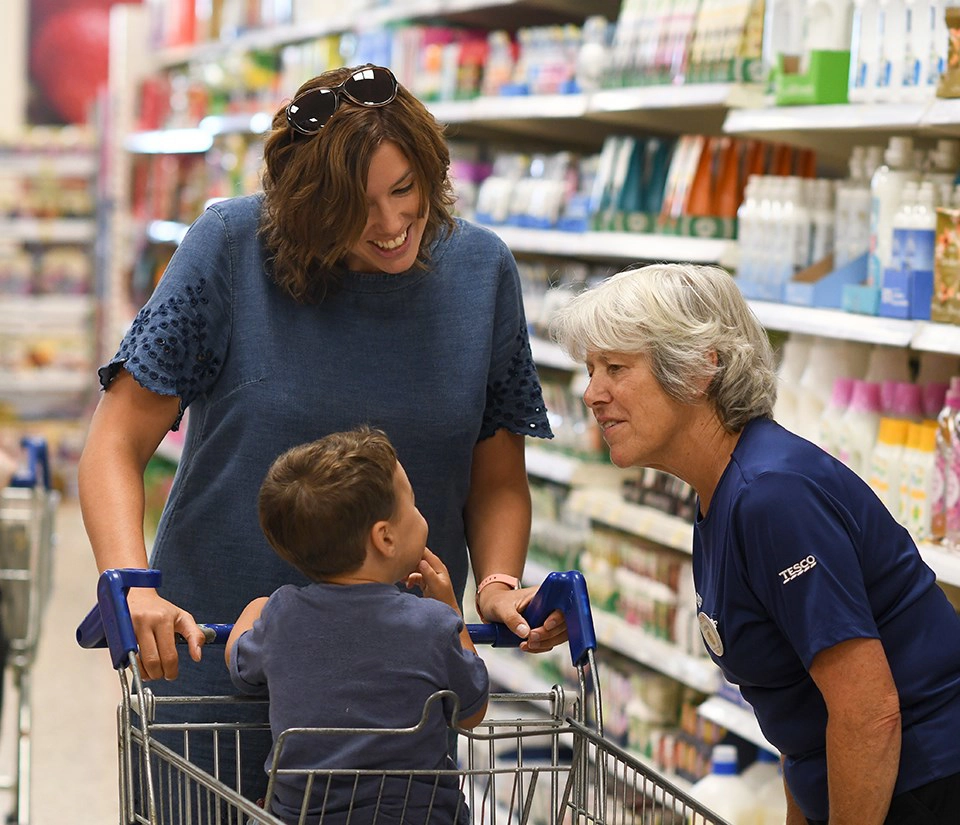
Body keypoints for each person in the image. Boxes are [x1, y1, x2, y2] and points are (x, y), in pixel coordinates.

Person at [77, 63, 564, 802]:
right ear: (304, 208)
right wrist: (129, 583)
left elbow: (496, 475)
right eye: (354, 209)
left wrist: (497, 585)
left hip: (394, 715)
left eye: (406, 190)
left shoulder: (481, 272)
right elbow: (115, 442)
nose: (394, 225)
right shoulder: (230, 249)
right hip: (215, 680)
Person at [549, 262, 960, 825]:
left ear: (699, 368)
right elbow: (802, 711)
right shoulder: (721, 493)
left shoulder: (772, 497)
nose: (593, 394)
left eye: (615, 368)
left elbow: (868, 714)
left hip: (925, 787)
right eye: (591, 370)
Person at [226, 426, 488, 825]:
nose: (421, 515)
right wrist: (450, 608)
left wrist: (257, 607)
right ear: (385, 538)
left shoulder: (282, 614)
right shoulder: (432, 623)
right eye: (413, 507)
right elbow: (471, 711)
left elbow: (240, 665)